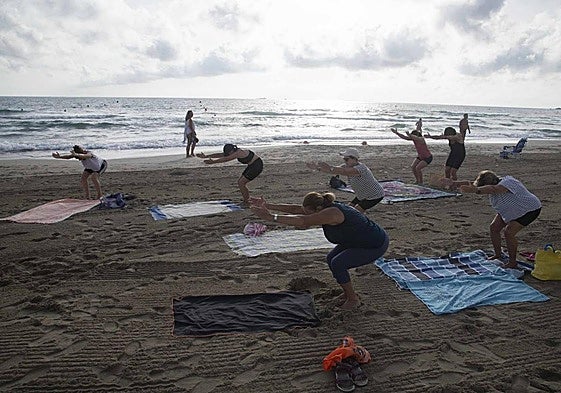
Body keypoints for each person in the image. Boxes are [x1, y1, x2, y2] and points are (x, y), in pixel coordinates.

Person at [250, 192, 389, 310]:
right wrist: (267, 206)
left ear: (317, 209)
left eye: (309, 212)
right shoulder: (323, 207)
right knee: (331, 258)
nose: (306, 213)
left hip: (374, 244)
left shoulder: (332, 213)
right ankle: (348, 293)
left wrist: (270, 217)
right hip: (356, 241)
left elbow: (304, 221)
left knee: (338, 263)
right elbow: (297, 210)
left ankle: (353, 299)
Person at [442, 170, 541, 269]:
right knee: (494, 228)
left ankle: (512, 262)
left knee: (509, 233)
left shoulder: (508, 182)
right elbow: (474, 184)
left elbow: (494, 189)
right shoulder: (492, 184)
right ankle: (498, 254)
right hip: (509, 210)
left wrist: (476, 190)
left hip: (529, 209)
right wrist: (455, 183)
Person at [306, 147, 384, 213]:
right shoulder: (346, 166)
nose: (345, 161)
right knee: (349, 208)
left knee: (356, 212)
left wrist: (329, 167)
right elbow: (334, 170)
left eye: (347, 159)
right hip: (362, 194)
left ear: (355, 159)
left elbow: (344, 171)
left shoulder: (361, 168)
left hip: (374, 195)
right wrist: (317, 168)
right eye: (344, 159)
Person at [196, 144, 263, 205]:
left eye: (228, 152)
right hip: (251, 165)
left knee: (241, 183)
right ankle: (247, 199)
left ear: (231, 150)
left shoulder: (238, 152)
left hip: (257, 165)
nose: (227, 154)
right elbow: (221, 155)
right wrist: (206, 156)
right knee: (240, 182)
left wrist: (213, 162)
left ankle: (247, 201)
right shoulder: (233, 152)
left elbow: (226, 159)